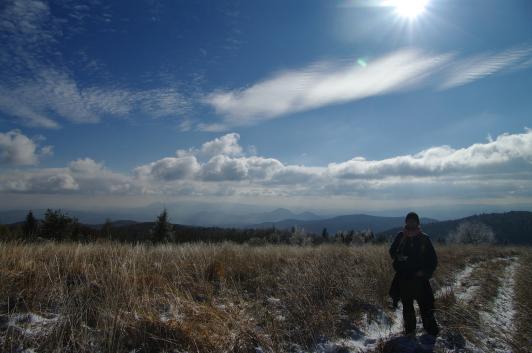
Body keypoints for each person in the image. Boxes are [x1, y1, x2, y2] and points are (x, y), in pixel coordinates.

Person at [388, 211, 439, 339]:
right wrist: (398, 256)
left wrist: (425, 272)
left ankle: (432, 333)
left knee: (426, 306)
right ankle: (410, 332)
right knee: (407, 308)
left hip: (420, 279)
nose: (411, 223)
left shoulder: (424, 238)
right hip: (404, 278)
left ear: (417, 223)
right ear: (406, 222)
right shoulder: (401, 236)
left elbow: (433, 260)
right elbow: (392, 251)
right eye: (409, 220)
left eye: (413, 221)